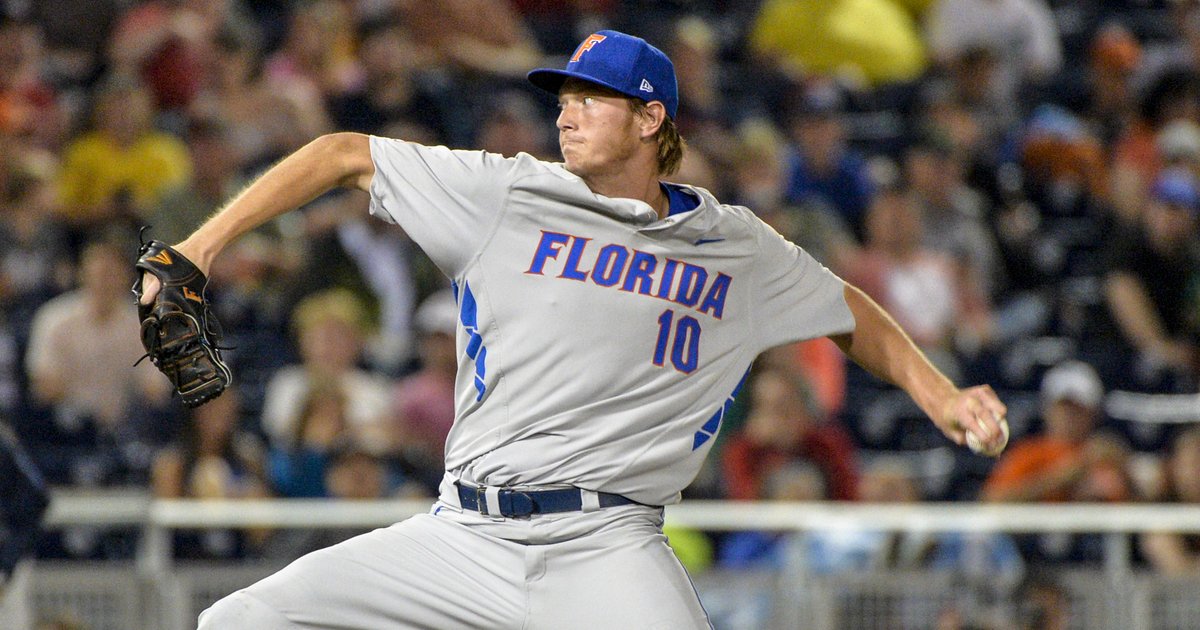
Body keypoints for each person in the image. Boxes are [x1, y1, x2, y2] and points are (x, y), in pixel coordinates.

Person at [139, 29, 1007, 629]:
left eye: (592, 98)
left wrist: (941, 393)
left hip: (607, 547)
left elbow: (848, 310)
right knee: (240, 620)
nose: (566, 112)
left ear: (651, 117)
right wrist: (199, 248)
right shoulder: (509, 192)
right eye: (564, 96)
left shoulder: (734, 248)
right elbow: (341, 154)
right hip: (462, 535)